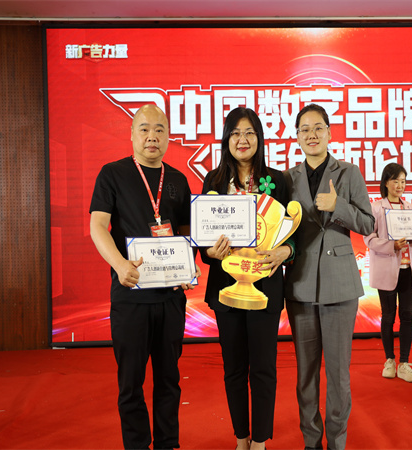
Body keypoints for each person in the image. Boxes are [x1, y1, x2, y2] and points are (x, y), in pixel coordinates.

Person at [89, 104, 199, 449]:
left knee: (169, 380)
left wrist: (189, 265)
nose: (152, 136)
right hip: (131, 295)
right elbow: (97, 225)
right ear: (132, 134)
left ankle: (168, 444)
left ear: (168, 136)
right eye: (145, 129)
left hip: (170, 298)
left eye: (159, 130)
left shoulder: (178, 180)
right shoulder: (113, 174)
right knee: (130, 383)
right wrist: (120, 264)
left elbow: (185, 231)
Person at [199, 107, 293, 450]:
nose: (243, 139)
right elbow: (203, 239)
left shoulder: (278, 180)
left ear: (259, 138)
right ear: (227, 139)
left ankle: (260, 440)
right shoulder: (213, 181)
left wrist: (286, 252)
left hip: (265, 287)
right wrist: (210, 252)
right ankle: (241, 438)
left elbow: (293, 233)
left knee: (264, 367)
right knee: (234, 368)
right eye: (236, 133)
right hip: (227, 289)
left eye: (250, 132)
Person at [283, 103, 374, 450]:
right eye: (304, 129)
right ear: (297, 137)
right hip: (300, 284)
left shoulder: (349, 172)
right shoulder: (287, 179)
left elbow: (369, 223)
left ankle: (337, 441)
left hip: (340, 285)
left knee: (337, 373)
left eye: (318, 127)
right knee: (305, 373)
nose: (312, 134)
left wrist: (338, 207)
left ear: (329, 132)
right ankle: (311, 440)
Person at [363, 163, 412, 383]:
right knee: (388, 316)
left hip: (408, 270)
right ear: (386, 182)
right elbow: (368, 238)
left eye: (403, 181)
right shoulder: (376, 208)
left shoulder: (409, 208)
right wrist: (391, 245)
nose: (400, 185)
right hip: (387, 270)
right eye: (395, 181)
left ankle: (404, 363)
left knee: (407, 316)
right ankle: (389, 360)